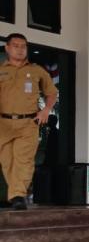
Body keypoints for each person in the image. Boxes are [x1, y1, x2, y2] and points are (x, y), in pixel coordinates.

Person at [0, 33, 58, 210]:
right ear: (7, 48)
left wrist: (46, 110)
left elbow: (51, 92)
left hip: (28, 122)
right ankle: (15, 194)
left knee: (23, 160)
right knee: (7, 161)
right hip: (3, 123)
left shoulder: (36, 70)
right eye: (16, 46)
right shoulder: (1, 71)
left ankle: (18, 196)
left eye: (23, 46)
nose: (20, 49)